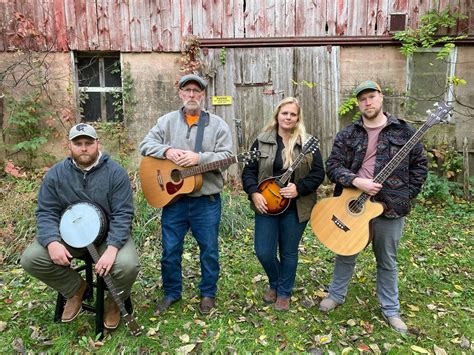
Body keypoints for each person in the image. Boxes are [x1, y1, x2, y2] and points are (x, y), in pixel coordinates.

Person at [318, 80, 428, 333]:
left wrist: (406, 195)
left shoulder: (405, 132)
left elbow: (420, 167)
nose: (367, 102)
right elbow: (332, 166)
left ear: (381, 98)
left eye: (371, 96)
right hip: (353, 202)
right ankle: (336, 295)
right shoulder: (348, 134)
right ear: (358, 104)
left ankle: (391, 309)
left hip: (390, 208)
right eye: (362, 99)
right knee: (345, 252)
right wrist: (357, 181)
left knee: (387, 260)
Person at [21, 123, 140, 330]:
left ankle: (114, 299)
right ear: (70, 146)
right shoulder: (56, 174)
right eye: (78, 143)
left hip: (107, 237)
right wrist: (51, 242)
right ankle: (75, 288)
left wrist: (112, 249)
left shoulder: (115, 173)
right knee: (31, 259)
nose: (83, 148)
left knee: (128, 264)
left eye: (88, 143)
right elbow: (46, 212)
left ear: (97, 144)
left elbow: (123, 214)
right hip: (70, 237)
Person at [139, 74, 233, 315]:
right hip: (174, 199)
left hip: (206, 201)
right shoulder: (166, 122)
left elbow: (227, 158)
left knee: (209, 250)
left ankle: (208, 294)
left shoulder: (218, 125)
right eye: (187, 90)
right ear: (180, 93)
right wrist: (167, 150)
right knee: (170, 250)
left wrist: (199, 158)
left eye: (196, 91)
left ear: (202, 95)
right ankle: (172, 292)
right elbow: (145, 145)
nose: (192, 95)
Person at [242, 97, 325, 311]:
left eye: (293, 114)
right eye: (284, 113)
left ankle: (284, 292)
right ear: (277, 115)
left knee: (288, 251)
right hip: (267, 204)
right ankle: (276, 282)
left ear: (298, 118)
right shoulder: (262, 140)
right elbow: (249, 171)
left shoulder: (308, 142)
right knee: (264, 251)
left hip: (295, 206)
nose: (288, 117)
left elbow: (318, 174)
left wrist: (299, 188)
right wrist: (254, 193)